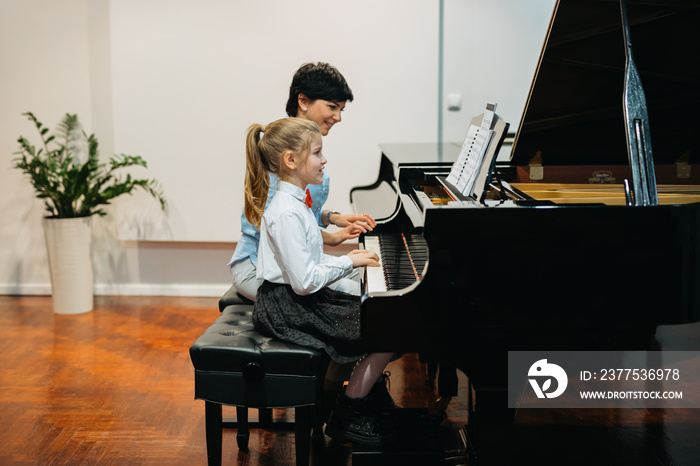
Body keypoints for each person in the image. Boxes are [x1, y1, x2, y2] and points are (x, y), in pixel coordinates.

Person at [244, 117, 396, 445]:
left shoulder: (295, 203)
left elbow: (306, 251)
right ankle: (349, 409)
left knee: (381, 317)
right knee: (387, 327)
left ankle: (361, 397)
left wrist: (338, 240)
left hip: (297, 300)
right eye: (317, 153)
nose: (323, 159)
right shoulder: (286, 211)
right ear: (291, 161)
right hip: (289, 306)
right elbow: (305, 281)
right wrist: (350, 261)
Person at [228, 62, 376, 302]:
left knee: (360, 279)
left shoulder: (303, 155)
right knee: (354, 292)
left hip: (294, 263)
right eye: (332, 107)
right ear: (303, 101)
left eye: (341, 110)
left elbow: (301, 211)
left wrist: (332, 218)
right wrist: (333, 240)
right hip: (260, 266)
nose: (337, 117)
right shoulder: (279, 156)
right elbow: (283, 225)